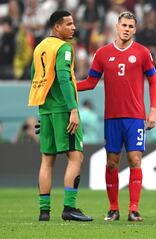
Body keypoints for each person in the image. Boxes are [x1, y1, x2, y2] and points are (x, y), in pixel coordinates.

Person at [76, 11, 156, 222]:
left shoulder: (142, 52)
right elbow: (91, 82)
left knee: (135, 159)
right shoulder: (103, 53)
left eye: (131, 26)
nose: (127, 29)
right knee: (112, 162)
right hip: (112, 117)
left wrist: (153, 110)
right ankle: (113, 208)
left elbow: (153, 81)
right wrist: (69, 87)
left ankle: (133, 209)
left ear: (135, 29)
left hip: (135, 117)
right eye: (124, 25)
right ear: (117, 26)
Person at [27, 10, 92, 222]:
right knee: (76, 156)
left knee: (47, 160)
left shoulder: (39, 48)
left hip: (45, 109)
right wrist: (73, 109)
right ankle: (69, 208)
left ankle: (44, 211)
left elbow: (35, 78)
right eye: (69, 24)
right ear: (57, 27)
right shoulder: (64, 48)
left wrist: (42, 111)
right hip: (63, 109)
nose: (73, 27)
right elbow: (64, 79)